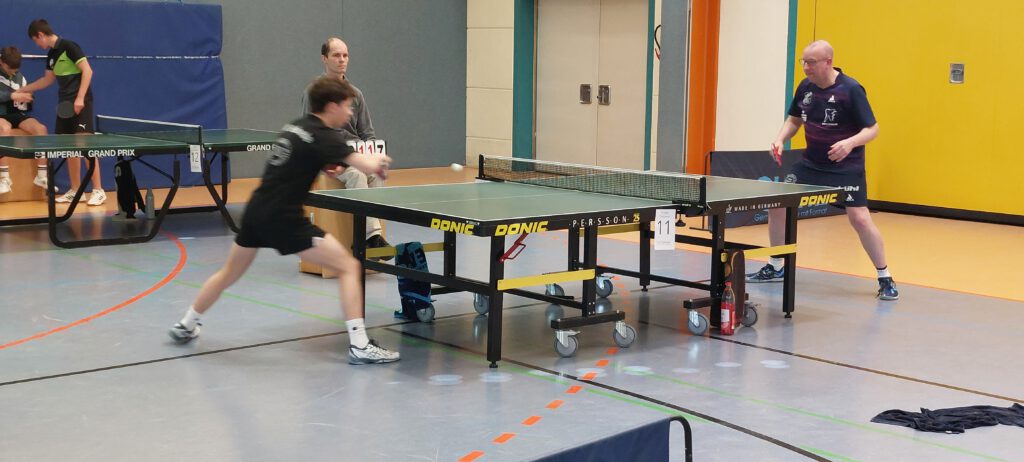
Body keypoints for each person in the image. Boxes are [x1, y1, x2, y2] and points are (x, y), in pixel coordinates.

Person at [169, 76, 400, 365]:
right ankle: (360, 345)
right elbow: (365, 163)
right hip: (284, 218)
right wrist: (381, 163)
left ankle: (187, 323)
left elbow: (302, 159)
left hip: (256, 211)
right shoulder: (326, 136)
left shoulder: (296, 126)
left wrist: (323, 165)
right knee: (350, 267)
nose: (350, 112)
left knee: (229, 273)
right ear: (332, 106)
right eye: (347, 106)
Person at [748, 40, 898, 301]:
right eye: (803, 62)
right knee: (777, 204)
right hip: (810, 165)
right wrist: (780, 139)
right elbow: (794, 119)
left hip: (846, 167)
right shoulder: (805, 87)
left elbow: (872, 129)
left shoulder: (851, 89)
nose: (806, 67)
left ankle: (885, 276)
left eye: (811, 62)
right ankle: (776, 265)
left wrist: (849, 143)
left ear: (828, 62)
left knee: (860, 219)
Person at [301, 37, 390, 254]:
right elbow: (308, 131)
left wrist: (373, 154)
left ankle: (369, 237)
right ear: (325, 59)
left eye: (345, 55)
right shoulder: (314, 93)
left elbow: (367, 133)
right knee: (356, 175)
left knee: (376, 174)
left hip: (356, 153)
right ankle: (371, 237)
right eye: (336, 55)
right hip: (328, 157)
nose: (342, 60)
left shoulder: (356, 94)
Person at [16, 19, 105, 206]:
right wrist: (24, 89)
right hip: (64, 105)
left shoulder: (69, 47)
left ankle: (98, 190)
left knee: (85, 146)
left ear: (41, 35)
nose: (36, 45)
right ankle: (76, 190)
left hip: (81, 103)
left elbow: (87, 71)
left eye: (35, 40)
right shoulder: (52, 55)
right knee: (69, 147)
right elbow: (47, 80)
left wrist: (80, 98)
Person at [0, 46, 49, 195]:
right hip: (1, 115)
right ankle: (4, 179)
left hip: (17, 115)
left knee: (41, 129)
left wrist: (28, 99)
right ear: (1, 62)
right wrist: (12, 96)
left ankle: (42, 176)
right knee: (3, 129)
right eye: (10, 69)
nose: (13, 72)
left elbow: (26, 106)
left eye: (16, 69)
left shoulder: (20, 77)